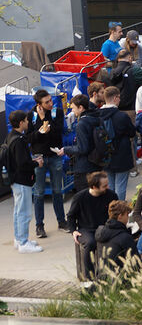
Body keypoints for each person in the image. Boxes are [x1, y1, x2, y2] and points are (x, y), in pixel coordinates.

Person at [24, 91, 68, 239]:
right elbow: (29, 138)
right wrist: (41, 130)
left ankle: (61, 221)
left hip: (55, 156)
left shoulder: (57, 112)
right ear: (39, 105)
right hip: (39, 157)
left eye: (50, 100)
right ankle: (39, 225)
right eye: (47, 102)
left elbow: (57, 133)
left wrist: (45, 122)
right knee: (39, 192)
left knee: (57, 190)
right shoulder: (31, 116)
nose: (50, 103)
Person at [6, 110, 44, 253]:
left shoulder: (10, 137)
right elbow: (22, 164)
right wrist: (36, 163)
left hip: (15, 180)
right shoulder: (20, 140)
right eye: (27, 121)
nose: (28, 123)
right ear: (21, 122)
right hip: (22, 181)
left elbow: (18, 160)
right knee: (24, 212)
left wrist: (31, 161)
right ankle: (23, 242)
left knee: (18, 211)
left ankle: (19, 239)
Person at [68, 171, 118, 280]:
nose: (108, 187)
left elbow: (117, 214)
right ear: (94, 187)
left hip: (105, 228)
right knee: (90, 243)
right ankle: (89, 278)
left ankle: (111, 276)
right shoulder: (80, 197)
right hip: (86, 229)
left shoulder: (112, 195)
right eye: (104, 186)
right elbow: (71, 216)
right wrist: (73, 231)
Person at [99, 87, 136, 201]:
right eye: (119, 97)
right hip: (121, 155)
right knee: (121, 185)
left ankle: (111, 207)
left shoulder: (98, 116)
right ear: (115, 98)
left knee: (110, 185)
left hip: (105, 155)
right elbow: (132, 133)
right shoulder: (122, 116)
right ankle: (119, 209)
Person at [58, 94, 101, 192]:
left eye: (73, 108)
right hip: (97, 163)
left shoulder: (82, 124)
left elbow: (82, 148)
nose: (72, 111)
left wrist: (66, 149)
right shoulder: (96, 117)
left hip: (84, 167)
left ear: (81, 107)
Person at [95, 200, 136, 267]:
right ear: (120, 216)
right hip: (120, 275)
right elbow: (135, 263)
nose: (128, 218)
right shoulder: (125, 237)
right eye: (127, 215)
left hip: (102, 275)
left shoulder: (100, 231)